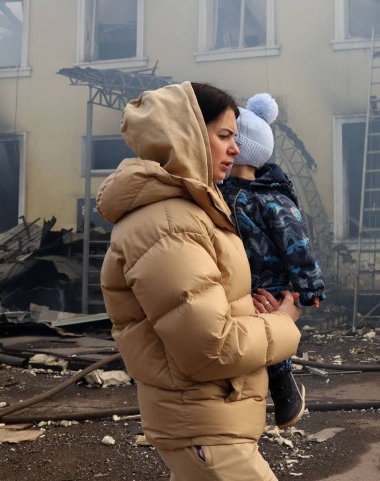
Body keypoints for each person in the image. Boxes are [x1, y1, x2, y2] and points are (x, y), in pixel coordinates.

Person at [97, 82, 301, 481]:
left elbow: (209, 313)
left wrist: (250, 311)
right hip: (207, 429)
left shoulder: (189, 212)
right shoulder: (169, 223)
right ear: (186, 135)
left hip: (212, 423)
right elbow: (210, 347)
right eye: (224, 135)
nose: (236, 148)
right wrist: (283, 321)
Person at [219, 92, 325, 430]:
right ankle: (267, 398)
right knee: (252, 343)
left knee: (271, 341)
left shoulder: (268, 198)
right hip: (239, 283)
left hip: (266, 282)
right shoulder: (223, 193)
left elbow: (296, 243)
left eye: (231, 139)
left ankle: (283, 391)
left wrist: (308, 286)